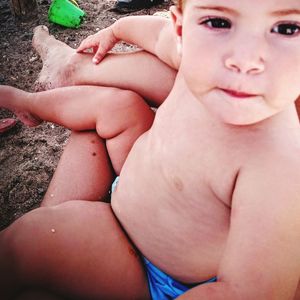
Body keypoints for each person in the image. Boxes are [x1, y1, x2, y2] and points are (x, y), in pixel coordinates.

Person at [1, 1, 300, 300]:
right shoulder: (195, 60)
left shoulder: (279, 165)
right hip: (136, 188)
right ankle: (30, 104)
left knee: (30, 241)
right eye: (219, 23)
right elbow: (158, 36)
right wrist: (115, 30)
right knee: (117, 106)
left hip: (155, 274)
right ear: (182, 28)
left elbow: (247, 291)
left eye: (287, 28)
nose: (246, 59)